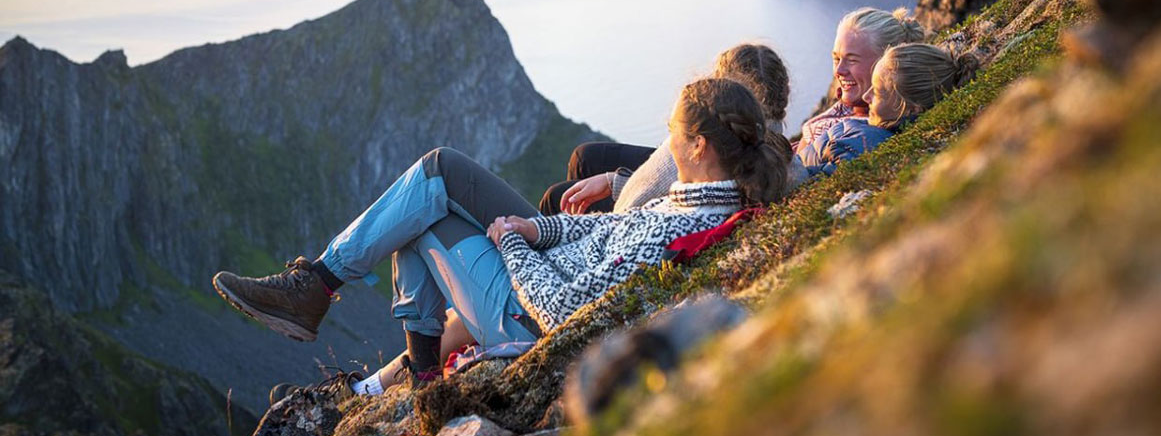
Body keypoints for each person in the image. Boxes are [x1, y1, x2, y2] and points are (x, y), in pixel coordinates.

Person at [212, 77, 789, 396]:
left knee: (424, 203)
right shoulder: (698, 202)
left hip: (527, 315)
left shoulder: (682, 222)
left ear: (699, 147)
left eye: (672, 133)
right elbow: (608, 227)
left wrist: (512, 244)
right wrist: (535, 227)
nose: (666, 140)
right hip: (545, 269)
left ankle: (325, 294)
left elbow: (562, 309)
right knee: (432, 183)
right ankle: (366, 325)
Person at [544, 43, 802, 216]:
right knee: (586, 156)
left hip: (645, 213)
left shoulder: (696, 150)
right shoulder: (782, 158)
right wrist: (614, 181)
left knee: (558, 195)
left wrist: (616, 186)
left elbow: (634, 203)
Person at [800, 42, 979, 174]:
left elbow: (804, 184)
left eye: (877, 92)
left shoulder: (864, 143)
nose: (866, 97)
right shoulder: (871, 129)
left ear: (911, 109)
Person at [797, 7, 926, 151]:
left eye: (852, 60)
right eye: (836, 59)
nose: (839, 71)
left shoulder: (861, 136)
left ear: (889, 63)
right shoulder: (849, 111)